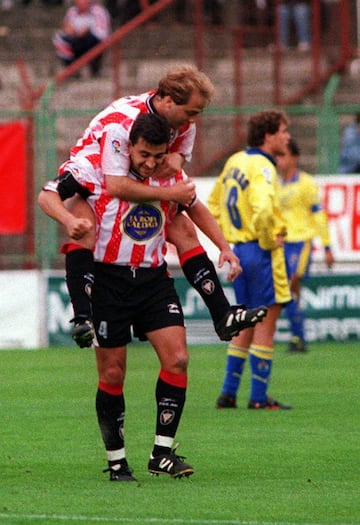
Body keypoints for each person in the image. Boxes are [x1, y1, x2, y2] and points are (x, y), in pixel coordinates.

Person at [38, 112, 266, 481]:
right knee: (113, 372)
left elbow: (195, 208)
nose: (149, 162)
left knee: (178, 359)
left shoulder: (167, 175)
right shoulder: (94, 171)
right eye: (143, 154)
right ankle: (117, 461)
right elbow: (46, 196)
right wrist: (68, 221)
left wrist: (224, 247)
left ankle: (162, 452)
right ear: (128, 147)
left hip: (152, 280)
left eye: (157, 156)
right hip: (108, 280)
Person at [58, 64, 265, 348]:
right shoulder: (124, 122)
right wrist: (171, 193)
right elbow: (116, 184)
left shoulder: (181, 124)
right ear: (167, 101)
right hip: (98, 179)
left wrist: (224, 247)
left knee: (183, 228)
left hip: (137, 175)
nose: (193, 121)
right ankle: (82, 314)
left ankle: (222, 313)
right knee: (82, 224)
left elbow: (177, 164)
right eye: (190, 112)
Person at [208, 109, 293, 410]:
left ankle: (228, 393)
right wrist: (270, 240)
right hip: (260, 249)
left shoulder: (235, 161)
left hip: (240, 250)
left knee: (243, 323)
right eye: (283, 131)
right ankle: (258, 398)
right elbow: (265, 209)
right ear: (269, 136)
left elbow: (214, 204)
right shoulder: (264, 167)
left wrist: (229, 238)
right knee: (266, 322)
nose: (288, 137)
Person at [277, 138, 334, 352]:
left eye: (282, 155)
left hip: (301, 242)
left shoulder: (306, 183)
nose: (279, 160)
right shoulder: (274, 183)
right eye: (277, 156)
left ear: (294, 157)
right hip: (281, 243)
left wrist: (327, 246)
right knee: (288, 291)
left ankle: (297, 337)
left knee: (292, 283)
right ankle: (297, 337)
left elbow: (318, 215)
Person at [52, 0, 111, 77]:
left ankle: (95, 68)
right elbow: (67, 28)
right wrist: (73, 32)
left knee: (92, 41)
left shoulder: (99, 11)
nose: (81, 3)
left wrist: (87, 31)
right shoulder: (72, 11)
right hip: (76, 40)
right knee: (60, 40)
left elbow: (102, 34)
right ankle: (71, 68)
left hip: (92, 41)